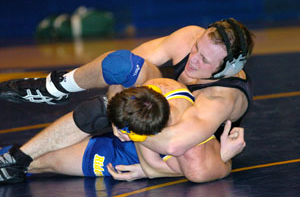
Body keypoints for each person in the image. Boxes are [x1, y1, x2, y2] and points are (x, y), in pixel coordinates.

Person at [0, 18, 253, 179]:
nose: (193, 58)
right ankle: (55, 87)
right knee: (121, 66)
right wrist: (116, 107)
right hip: (148, 115)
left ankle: (17, 161)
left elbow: (175, 146)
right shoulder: (189, 38)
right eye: (197, 47)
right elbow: (126, 65)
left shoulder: (221, 97)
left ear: (227, 69)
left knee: (45, 162)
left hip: (169, 151)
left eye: (204, 60)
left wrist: (125, 124)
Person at [1, 78, 245, 183]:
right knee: (96, 109)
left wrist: (223, 156)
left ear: (141, 134)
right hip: (145, 132)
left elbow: (152, 168)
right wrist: (120, 118)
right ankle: (17, 156)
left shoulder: (192, 155)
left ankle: (16, 162)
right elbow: (120, 87)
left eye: (122, 130)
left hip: (130, 155)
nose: (117, 131)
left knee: (46, 162)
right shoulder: (160, 88)